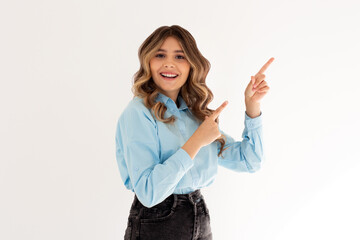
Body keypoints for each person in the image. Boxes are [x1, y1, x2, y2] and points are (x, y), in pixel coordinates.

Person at [115, 24, 274, 240]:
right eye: (160, 54)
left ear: (191, 65)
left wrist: (252, 105)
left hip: (199, 216)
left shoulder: (195, 114)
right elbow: (148, 192)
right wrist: (196, 142)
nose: (169, 63)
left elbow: (250, 161)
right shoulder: (138, 113)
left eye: (180, 56)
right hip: (158, 221)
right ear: (148, 62)